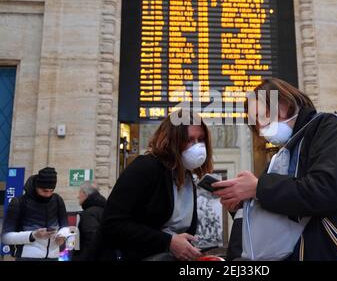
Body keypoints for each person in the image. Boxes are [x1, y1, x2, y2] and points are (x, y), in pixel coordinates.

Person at [213, 78, 337, 261]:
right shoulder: (282, 156)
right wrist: (242, 204)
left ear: (285, 103)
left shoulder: (328, 126)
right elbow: (278, 214)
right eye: (255, 121)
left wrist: (258, 187)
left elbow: (325, 190)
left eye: (263, 115)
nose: (260, 126)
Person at [96, 110, 214, 261]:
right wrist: (169, 242)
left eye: (201, 139)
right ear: (172, 140)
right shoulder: (145, 168)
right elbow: (112, 222)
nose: (197, 146)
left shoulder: (188, 177)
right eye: (189, 140)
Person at [1, 167, 71, 260]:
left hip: (53, 257)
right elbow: (6, 237)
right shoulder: (19, 202)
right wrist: (33, 235)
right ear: (36, 186)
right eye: (45, 191)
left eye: (51, 191)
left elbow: (65, 227)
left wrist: (62, 236)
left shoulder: (57, 200)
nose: (48, 194)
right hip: (27, 257)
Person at [71, 182, 106, 261]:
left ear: (85, 194)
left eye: (79, 193)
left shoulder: (89, 213)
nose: (78, 196)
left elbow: (91, 240)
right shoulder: (104, 211)